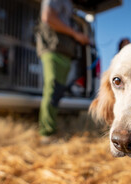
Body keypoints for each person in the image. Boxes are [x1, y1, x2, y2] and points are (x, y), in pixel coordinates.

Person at [36, 0, 90, 144]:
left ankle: (51, 128)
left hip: (65, 52)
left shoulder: (69, 4)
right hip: (53, 49)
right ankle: (47, 134)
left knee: (57, 91)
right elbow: (48, 18)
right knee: (52, 89)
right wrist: (75, 34)